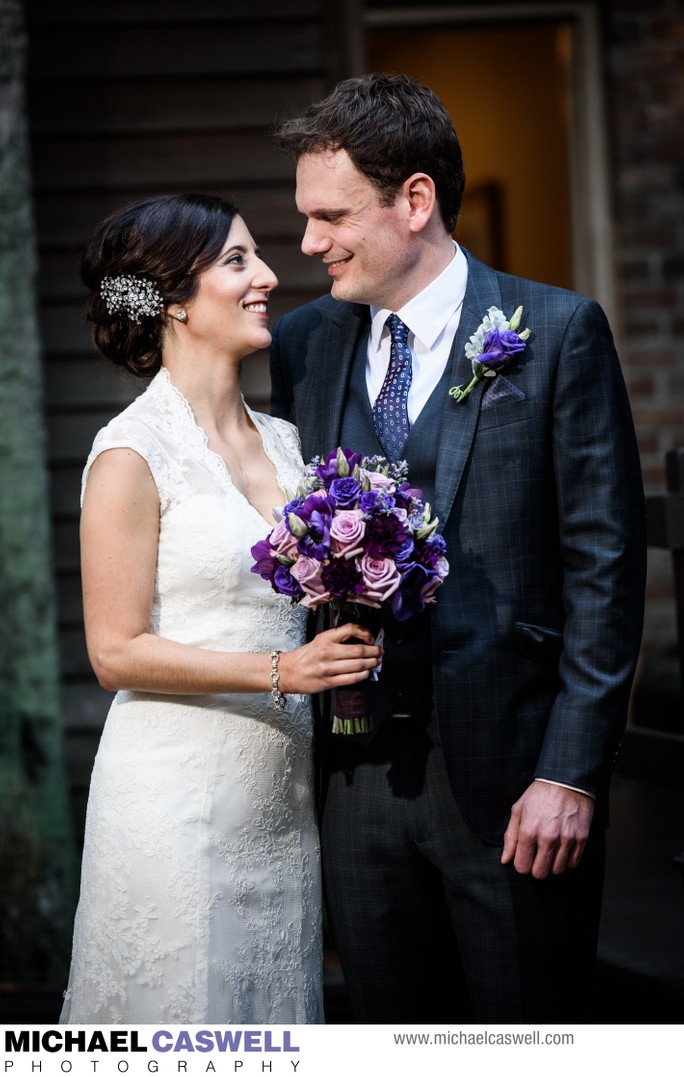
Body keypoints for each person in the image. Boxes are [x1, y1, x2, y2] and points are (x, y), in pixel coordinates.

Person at [270, 73, 647, 1023]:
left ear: (416, 200)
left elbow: (606, 567)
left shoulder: (557, 333)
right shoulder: (304, 345)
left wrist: (570, 770)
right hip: (356, 783)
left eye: (330, 216)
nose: (309, 243)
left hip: (518, 784)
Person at [59, 192, 381, 1025]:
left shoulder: (287, 444)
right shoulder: (131, 454)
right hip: (172, 802)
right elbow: (115, 650)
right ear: (172, 299)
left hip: (278, 804)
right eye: (237, 261)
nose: (269, 276)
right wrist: (284, 670)